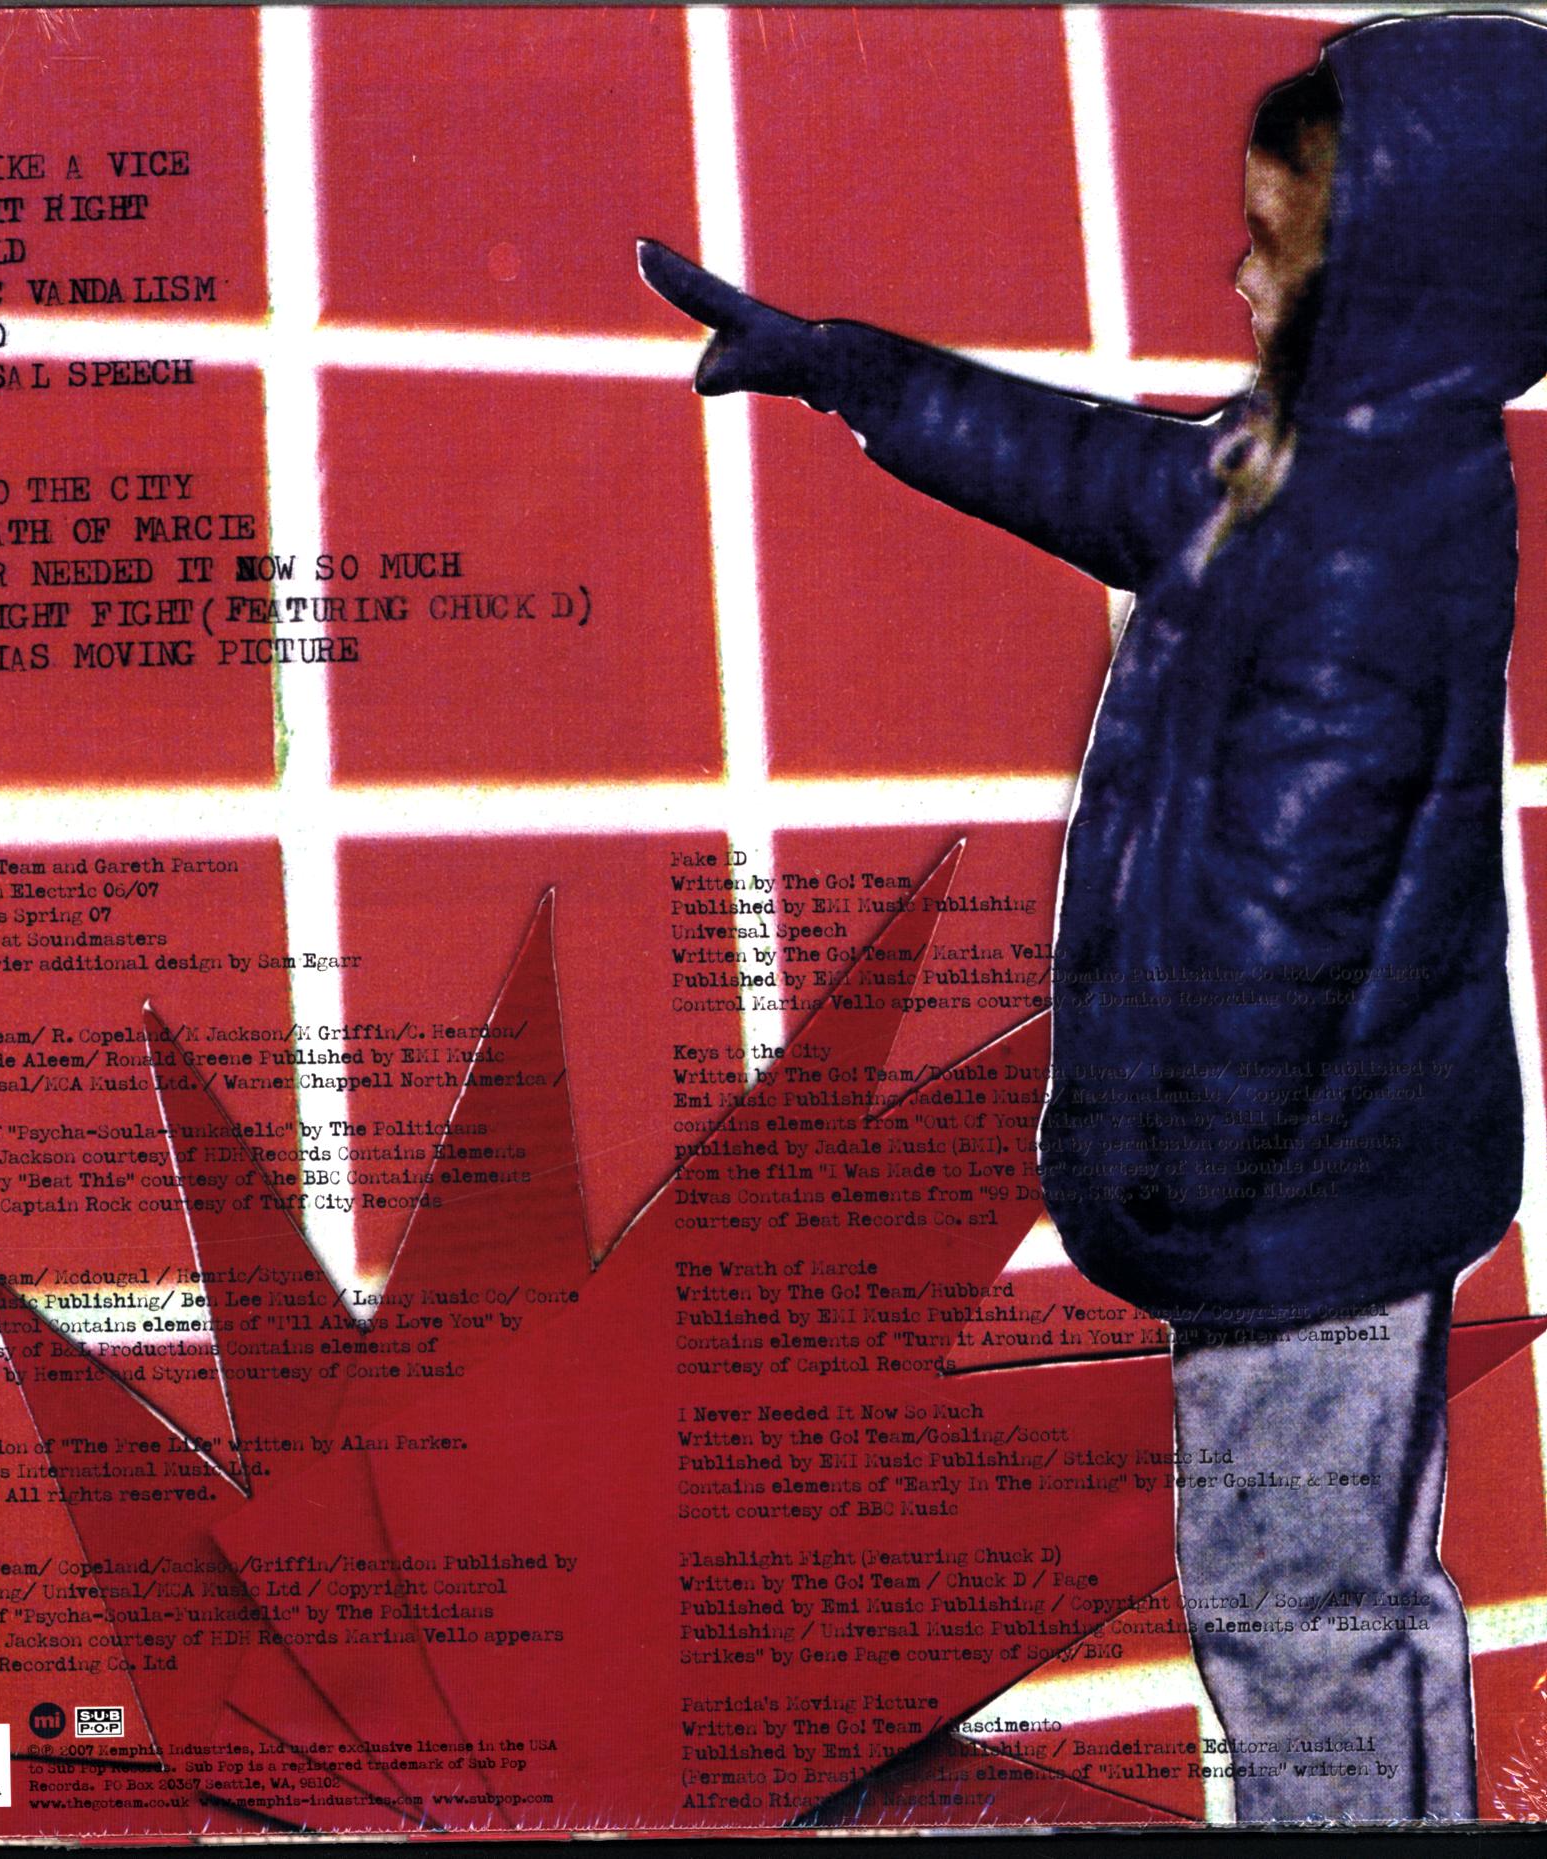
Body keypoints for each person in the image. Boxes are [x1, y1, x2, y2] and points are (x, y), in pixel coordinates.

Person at [641, 11, 1547, 1826]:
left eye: (1273, 249)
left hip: (1300, 1201)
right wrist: (858, 372)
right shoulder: (1320, 466)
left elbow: (1286, 922)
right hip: (1319, 1176)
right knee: (1326, 1595)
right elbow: (1097, 471)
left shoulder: (1362, 544)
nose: (1234, 275)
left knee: (1304, 1609)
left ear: (1394, 286)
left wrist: (1172, 1183)